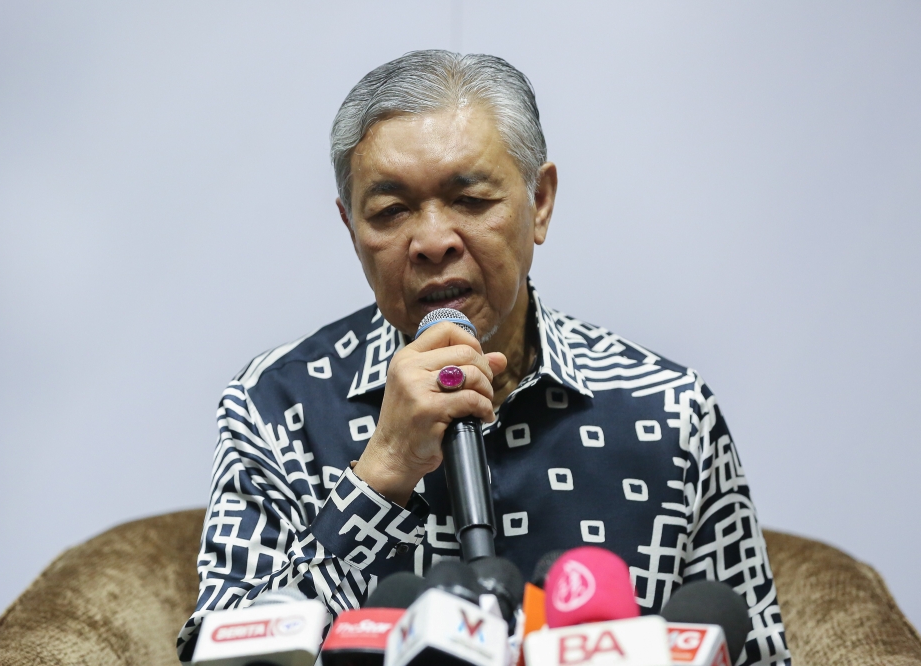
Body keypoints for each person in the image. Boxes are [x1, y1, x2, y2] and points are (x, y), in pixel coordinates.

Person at [176, 50, 790, 665]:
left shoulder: (672, 411)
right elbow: (224, 651)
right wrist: (383, 472)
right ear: (350, 226)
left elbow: (757, 654)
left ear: (540, 202)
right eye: (390, 212)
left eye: (470, 200)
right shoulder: (275, 403)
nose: (433, 241)